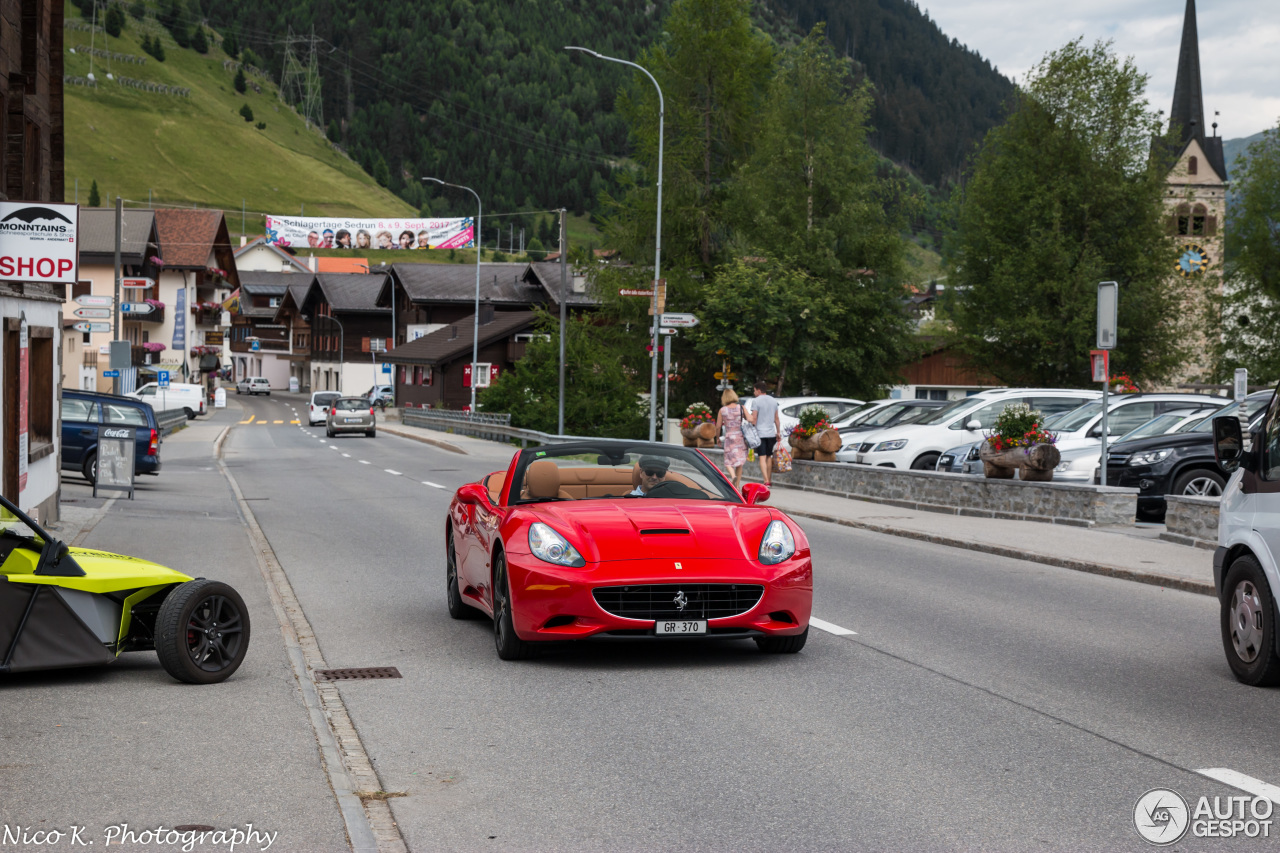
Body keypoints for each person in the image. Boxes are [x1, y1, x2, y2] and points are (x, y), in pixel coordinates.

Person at [747, 381, 781, 486]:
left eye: (754, 390)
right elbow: (776, 418)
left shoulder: (756, 401)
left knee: (762, 457)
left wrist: (751, 428)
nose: (754, 392)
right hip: (771, 433)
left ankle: (765, 480)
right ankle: (769, 480)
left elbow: (754, 418)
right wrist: (778, 432)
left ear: (758, 390)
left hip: (760, 433)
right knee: (769, 457)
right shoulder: (773, 401)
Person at [716, 387, 747, 489]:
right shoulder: (741, 408)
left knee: (728, 461)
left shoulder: (722, 410)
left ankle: (733, 476)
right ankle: (737, 485)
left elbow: (718, 426)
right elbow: (751, 419)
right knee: (739, 462)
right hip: (740, 437)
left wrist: (717, 438)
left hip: (729, 437)